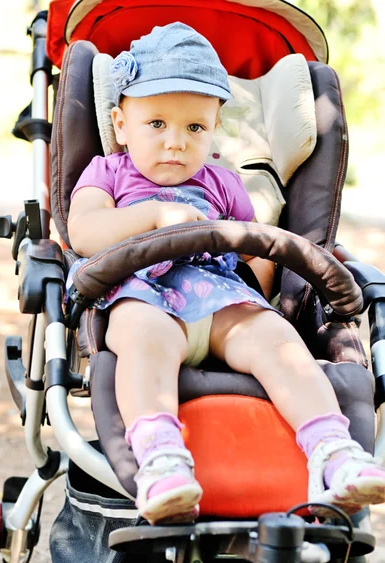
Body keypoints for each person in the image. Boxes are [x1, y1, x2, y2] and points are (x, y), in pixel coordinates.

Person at [67, 22, 385, 525]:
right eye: (157, 124)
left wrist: (264, 301)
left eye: (195, 128)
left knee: (277, 341)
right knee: (146, 339)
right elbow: (84, 231)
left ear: (213, 129)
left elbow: (251, 247)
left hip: (217, 297)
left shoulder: (221, 181)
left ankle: (332, 448)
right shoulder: (109, 173)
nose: (176, 143)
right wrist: (151, 219)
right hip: (140, 295)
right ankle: (161, 459)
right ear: (120, 124)